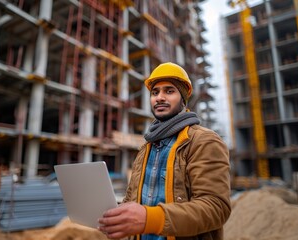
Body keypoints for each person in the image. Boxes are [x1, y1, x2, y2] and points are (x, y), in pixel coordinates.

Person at [98, 62, 231, 240]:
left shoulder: (204, 141)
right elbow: (134, 200)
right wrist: (118, 216)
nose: (159, 97)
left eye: (169, 91)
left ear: (183, 98)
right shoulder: (146, 147)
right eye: (155, 92)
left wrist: (149, 219)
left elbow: (216, 208)